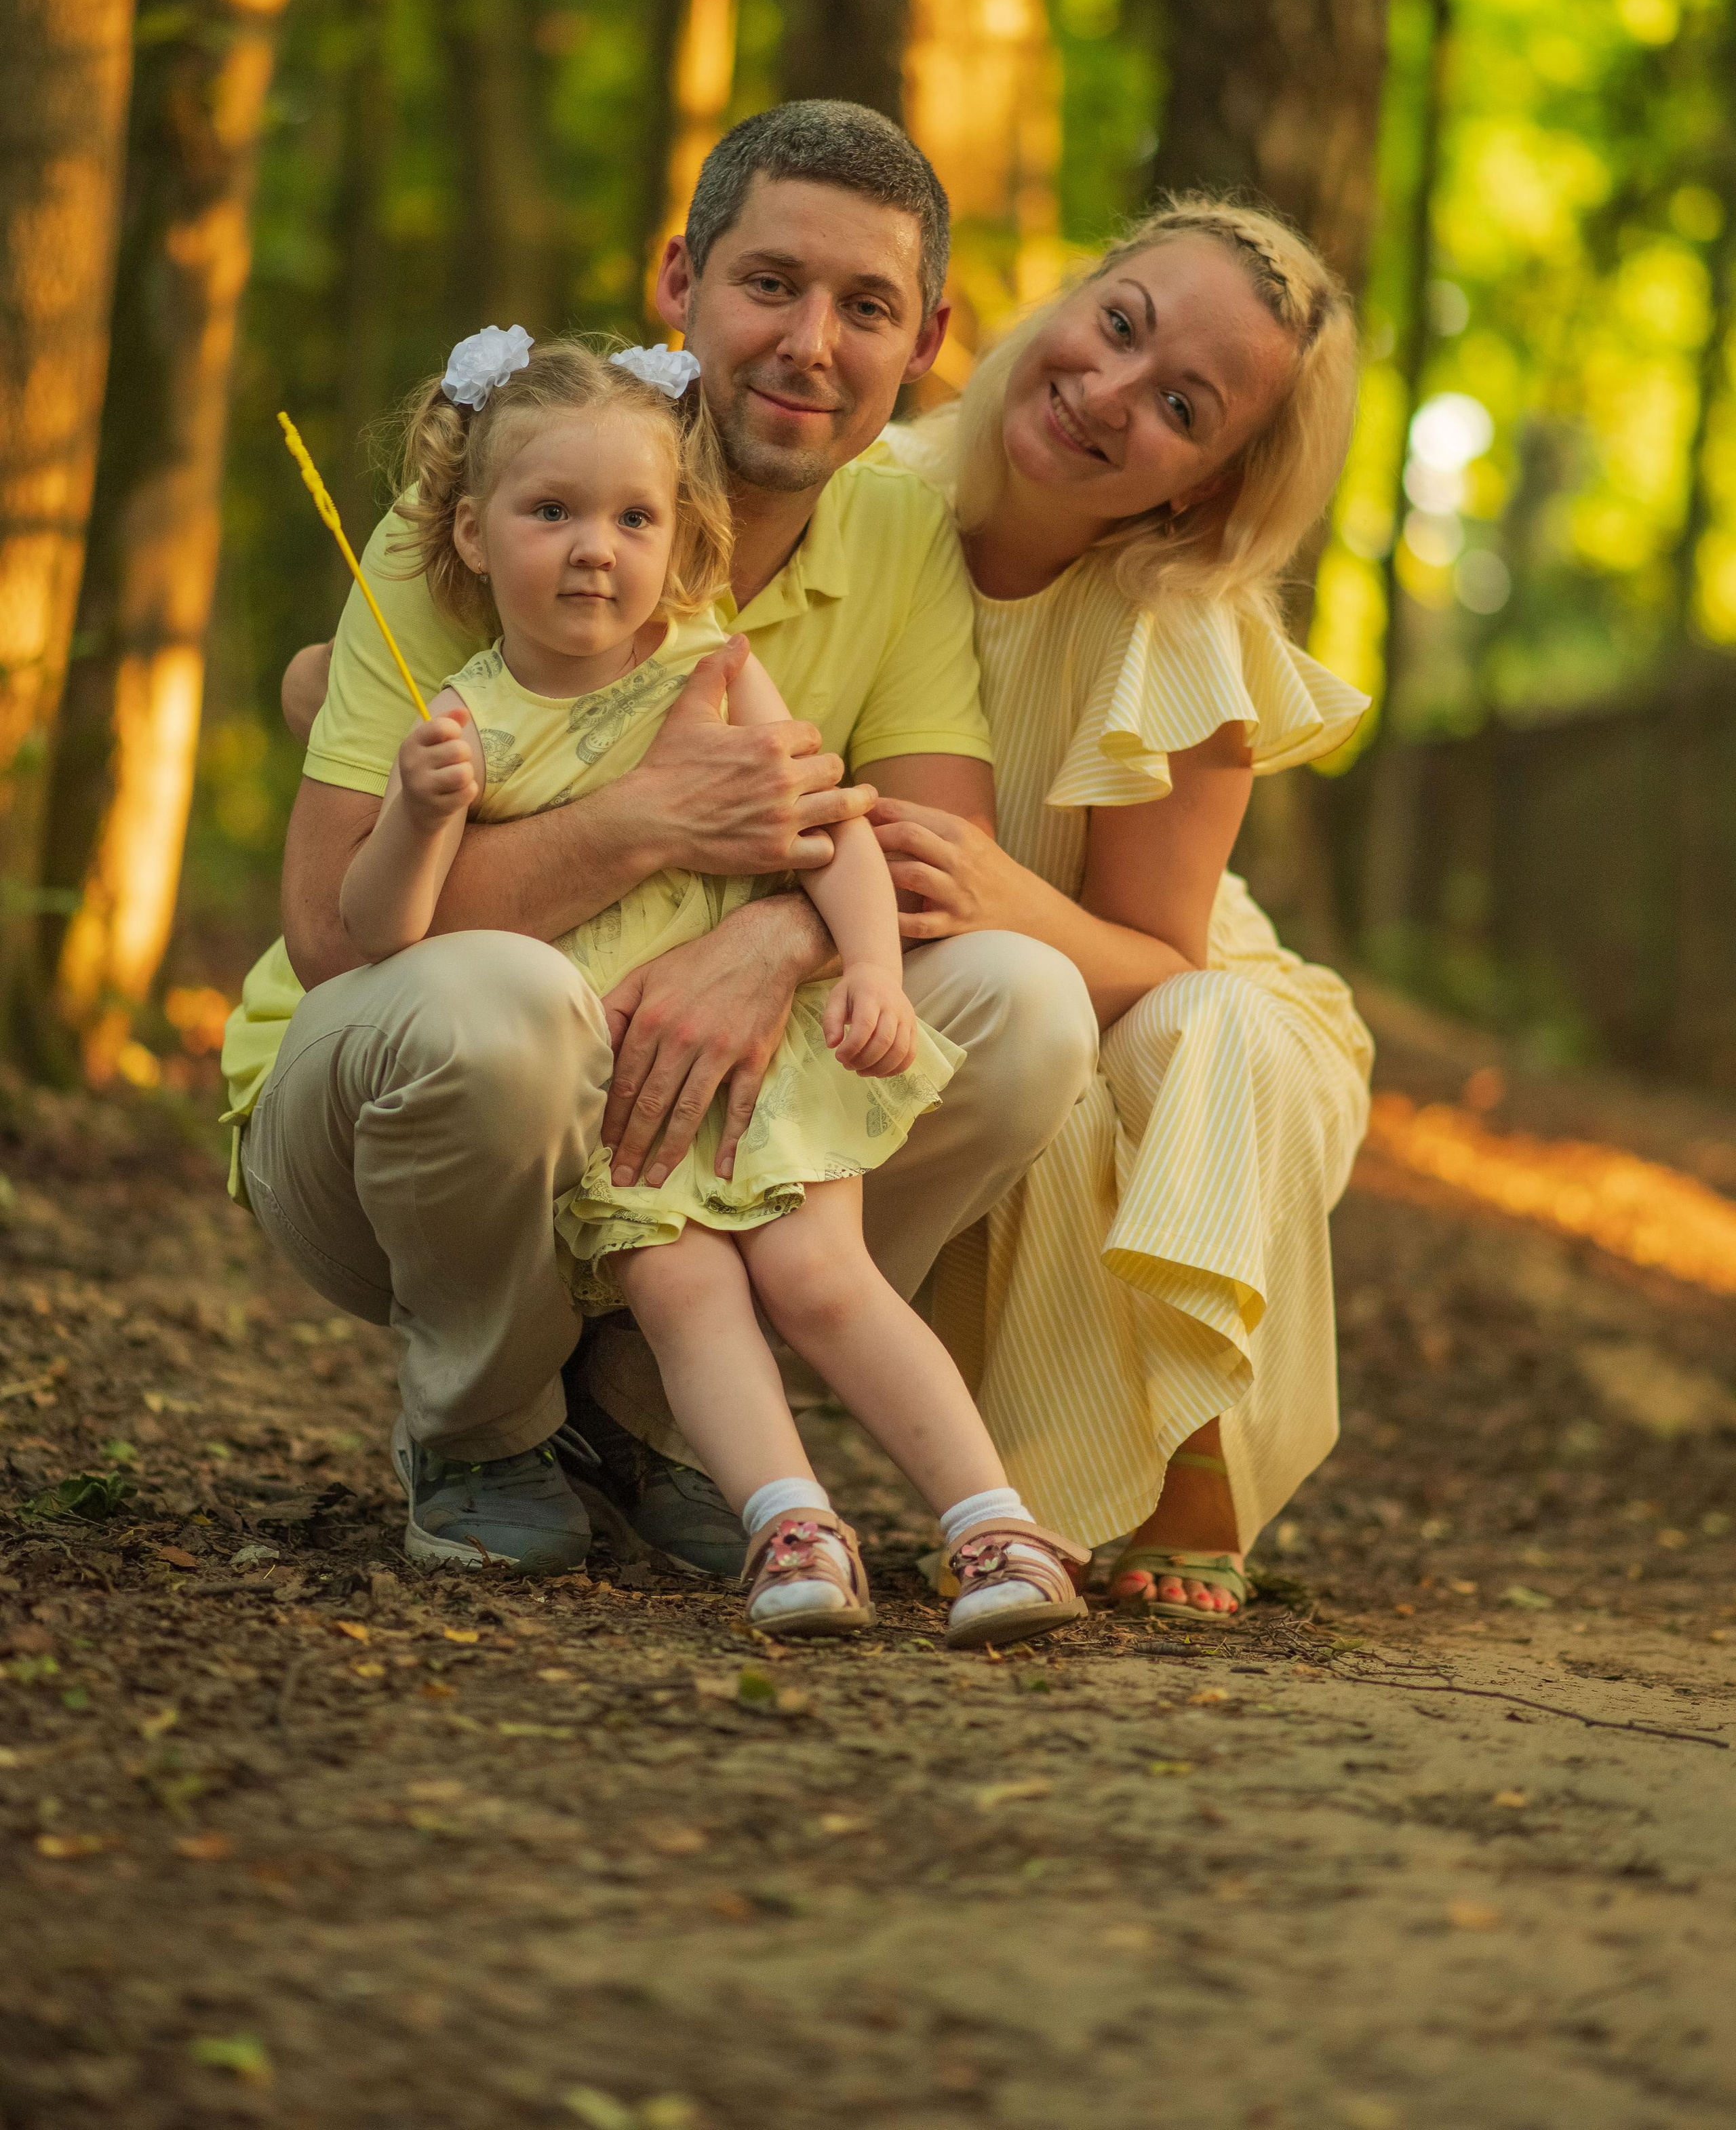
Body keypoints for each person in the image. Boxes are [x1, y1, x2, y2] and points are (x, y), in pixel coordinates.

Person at [224, 101, 1099, 1577]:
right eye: (770, 283)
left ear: (926, 340)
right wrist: (650, 820)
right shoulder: (496, 505)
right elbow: (330, 933)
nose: (811, 344)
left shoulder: (897, 532)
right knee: (508, 1005)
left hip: (691, 1131)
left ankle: (650, 1415)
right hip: (389, 1105)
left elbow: (932, 854)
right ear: (678, 279)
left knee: (1022, 1002)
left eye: (866, 306)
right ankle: (483, 1422)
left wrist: (769, 940)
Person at [877, 195, 1375, 1625]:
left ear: (1206, 488)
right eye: (1118, 325)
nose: (1106, 393)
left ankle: (1189, 1462)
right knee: (1026, 1026)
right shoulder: (869, 500)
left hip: (1193, 1011)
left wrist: (1003, 897)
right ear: (1069, 296)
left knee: (1168, 1034)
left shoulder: (1180, 621)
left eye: (1179, 406)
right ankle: (1040, 1480)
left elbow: (1163, 957)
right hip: (964, 990)